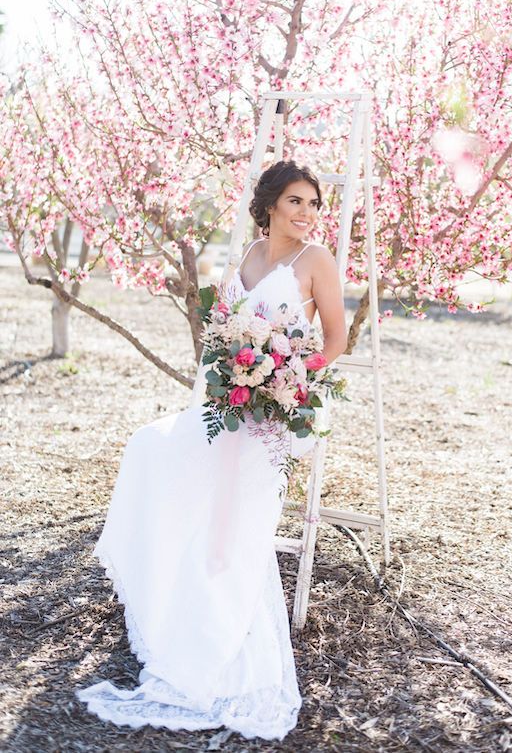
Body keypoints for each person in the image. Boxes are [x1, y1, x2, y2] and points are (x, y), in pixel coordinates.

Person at [76, 160, 348, 741]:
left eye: (313, 204)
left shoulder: (316, 261)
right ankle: (170, 604)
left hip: (273, 411)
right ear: (272, 204)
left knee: (236, 517)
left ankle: (218, 633)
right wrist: (234, 374)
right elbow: (227, 326)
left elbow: (336, 339)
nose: (306, 214)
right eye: (296, 202)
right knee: (149, 449)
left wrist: (289, 379)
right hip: (227, 401)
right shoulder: (250, 254)